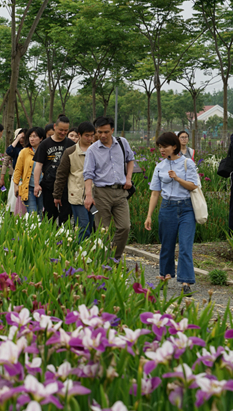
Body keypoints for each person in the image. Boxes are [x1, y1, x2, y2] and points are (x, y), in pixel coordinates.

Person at [145, 132, 201, 297]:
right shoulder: (159, 167)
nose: (162, 150)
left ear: (174, 146)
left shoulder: (187, 163)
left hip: (186, 208)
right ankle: (164, 276)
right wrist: (149, 216)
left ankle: (186, 282)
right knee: (167, 245)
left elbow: (193, 186)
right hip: (167, 207)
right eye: (160, 147)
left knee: (185, 246)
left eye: (165, 147)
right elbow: (155, 193)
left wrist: (177, 178)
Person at [83, 117, 135, 261]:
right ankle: (104, 262)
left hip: (120, 193)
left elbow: (130, 159)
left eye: (106, 132)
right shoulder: (92, 150)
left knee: (124, 227)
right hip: (101, 194)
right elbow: (88, 174)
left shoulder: (122, 143)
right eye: (99, 132)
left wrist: (128, 178)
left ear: (112, 130)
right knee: (103, 230)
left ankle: (114, 258)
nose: (103, 135)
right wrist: (88, 196)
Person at [54, 122, 97, 242]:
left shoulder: (97, 150)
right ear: (79, 135)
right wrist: (57, 195)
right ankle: (81, 251)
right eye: (86, 135)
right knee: (83, 223)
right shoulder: (70, 152)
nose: (89, 138)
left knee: (92, 222)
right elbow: (61, 175)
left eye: (92, 136)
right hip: (77, 196)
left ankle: (89, 251)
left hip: (94, 196)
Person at [34, 115, 75, 224]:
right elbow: (38, 165)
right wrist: (36, 184)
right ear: (55, 127)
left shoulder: (71, 145)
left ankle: (63, 237)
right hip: (49, 185)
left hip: (66, 186)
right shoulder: (45, 144)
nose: (63, 133)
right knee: (50, 215)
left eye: (66, 130)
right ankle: (49, 237)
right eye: (60, 130)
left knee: (66, 214)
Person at [12, 127, 46, 215]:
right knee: (32, 214)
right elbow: (18, 169)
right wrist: (15, 185)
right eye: (30, 136)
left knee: (40, 213)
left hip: (43, 188)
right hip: (29, 187)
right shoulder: (24, 152)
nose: (32, 139)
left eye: (35, 136)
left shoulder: (46, 152)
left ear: (41, 138)